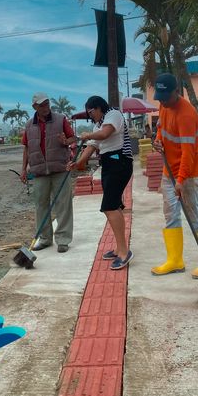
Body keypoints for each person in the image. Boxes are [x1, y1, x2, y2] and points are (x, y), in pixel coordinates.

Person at [151, 73, 198, 279]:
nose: (162, 101)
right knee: (170, 214)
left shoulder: (187, 115)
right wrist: (158, 140)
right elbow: (161, 128)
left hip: (188, 174)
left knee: (193, 213)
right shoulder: (164, 105)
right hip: (169, 170)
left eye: (165, 97)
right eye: (160, 97)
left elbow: (189, 154)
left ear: (176, 92)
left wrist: (180, 181)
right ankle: (175, 260)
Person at [68, 96, 134, 270]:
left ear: (98, 107)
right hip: (109, 164)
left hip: (119, 162)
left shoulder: (113, 115)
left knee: (109, 207)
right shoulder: (98, 125)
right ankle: (120, 247)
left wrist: (87, 135)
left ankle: (124, 252)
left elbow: (105, 134)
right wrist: (78, 163)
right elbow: (91, 146)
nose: (91, 117)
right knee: (114, 206)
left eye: (91, 112)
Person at [20, 93, 76, 253]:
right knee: (41, 206)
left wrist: (66, 141)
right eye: (41, 105)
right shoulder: (29, 125)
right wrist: (23, 169)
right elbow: (27, 148)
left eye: (47, 104)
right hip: (39, 171)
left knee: (63, 205)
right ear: (34, 107)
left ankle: (63, 240)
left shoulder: (60, 119)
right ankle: (45, 239)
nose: (45, 107)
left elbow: (73, 138)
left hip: (60, 168)